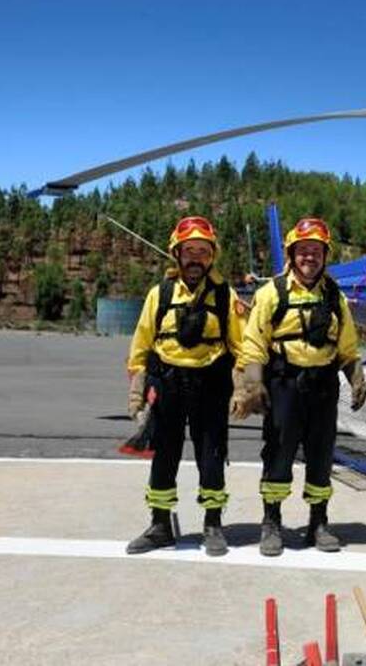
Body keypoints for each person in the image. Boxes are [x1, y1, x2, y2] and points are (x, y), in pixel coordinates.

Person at [231, 217, 366, 556]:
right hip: (284, 384)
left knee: (321, 455)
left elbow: (348, 346)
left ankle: (318, 523)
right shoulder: (271, 293)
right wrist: (253, 385)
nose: (310, 257)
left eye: (316, 251)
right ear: (292, 254)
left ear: (324, 255)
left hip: (322, 387)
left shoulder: (334, 296)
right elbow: (253, 343)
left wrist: (357, 377)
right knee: (279, 452)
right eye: (303, 251)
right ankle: (272, 522)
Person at [125, 216, 244, 557]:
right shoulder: (159, 294)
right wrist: (137, 392)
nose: (195, 258)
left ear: (212, 257)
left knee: (212, 456)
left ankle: (212, 524)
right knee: (164, 456)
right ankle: (160, 524)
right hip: (168, 386)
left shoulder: (225, 296)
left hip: (211, 386)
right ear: (176, 254)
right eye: (189, 251)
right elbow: (141, 344)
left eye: (203, 252)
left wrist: (243, 390)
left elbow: (241, 347)